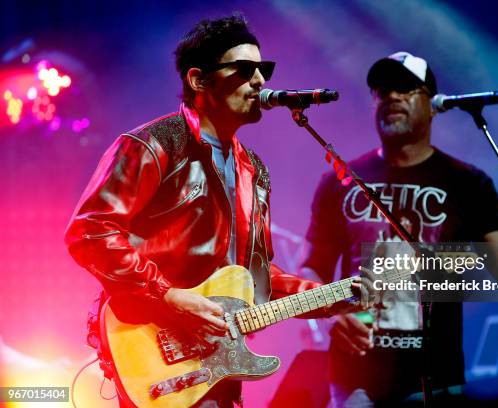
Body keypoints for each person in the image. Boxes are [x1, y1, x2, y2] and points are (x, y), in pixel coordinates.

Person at [65, 15, 370, 408]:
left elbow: (255, 278)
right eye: (244, 70)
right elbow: (90, 232)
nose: (260, 81)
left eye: (264, 69)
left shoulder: (254, 171)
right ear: (198, 80)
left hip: (218, 361)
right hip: (157, 351)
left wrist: (334, 297)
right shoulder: (153, 145)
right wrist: (168, 294)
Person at [300, 51, 498, 407]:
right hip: (355, 379)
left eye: (406, 88)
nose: (392, 97)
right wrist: (330, 313)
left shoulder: (468, 183)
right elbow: (311, 266)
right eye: (383, 89)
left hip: (437, 377)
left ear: (433, 103)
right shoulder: (340, 181)